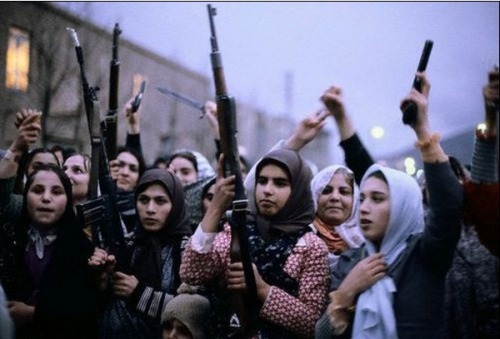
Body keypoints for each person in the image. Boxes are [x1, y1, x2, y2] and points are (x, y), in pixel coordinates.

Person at [315, 72, 463, 338]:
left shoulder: (425, 255)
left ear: (403, 207)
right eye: (362, 199)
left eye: (378, 199)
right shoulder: (351, 260)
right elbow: (321, 335)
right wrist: (346, 293)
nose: (365, 207)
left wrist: (422, 127)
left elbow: (449, 207)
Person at [180, 149, 329, 338]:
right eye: (262, 181)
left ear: (297, 190)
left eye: (280, 183)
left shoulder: (311, 247)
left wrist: (263, 290)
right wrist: (216, 207)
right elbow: (191, 273)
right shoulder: (235, 232)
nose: (267, 190)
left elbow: (313, 324)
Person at [89, 168, 192, 339]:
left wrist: (139, 293)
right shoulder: (127, 245)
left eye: (160, 201)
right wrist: (101, 281)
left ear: (175, 205)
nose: (150, 209)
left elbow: (191, 312)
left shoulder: (186, 250)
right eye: (143, 200)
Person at [2, 163, 99, 339]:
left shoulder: (83, 249)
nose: (46, 198)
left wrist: (34, 313)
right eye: (37, 190)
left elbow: (86, 314)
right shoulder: (9, 241)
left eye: (56, 192)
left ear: (68, 199)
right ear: (25, 196)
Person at [310, 165, 365, 272]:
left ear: (355, 199)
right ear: (314, 196)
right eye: (326, 191)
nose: (335, 197)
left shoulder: (368, 241)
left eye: (344, 192)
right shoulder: (301, 239)